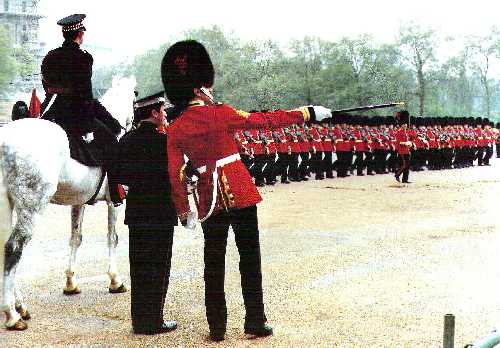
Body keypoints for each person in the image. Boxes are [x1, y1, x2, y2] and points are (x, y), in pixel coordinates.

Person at [161, 40, 331, 341]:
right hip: (239, 191)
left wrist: (183, 210)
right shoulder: (220, 112)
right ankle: (255, 320)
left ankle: (217, 327)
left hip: (208, 198)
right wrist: (306, 113)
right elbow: (264, 121)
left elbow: (175, 174)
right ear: (201, 87)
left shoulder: (175, 128)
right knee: (249, 259)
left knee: (213, 264)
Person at [40, 14, 123, 205]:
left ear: (65, 34)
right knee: (112, 140)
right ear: (80, 34)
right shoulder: (83, 58)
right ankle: (115, 192)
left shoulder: (50, 56)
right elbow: (86, 96)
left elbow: (47, 86)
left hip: (51, 111)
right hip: (74, 115)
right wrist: (96, 126)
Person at [113, 92, 178, 335]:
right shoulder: (165, 141)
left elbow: (119, 176)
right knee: (159, 269)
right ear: (153, 113)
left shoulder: (126, 140)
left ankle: (139, 321)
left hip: (138, 213)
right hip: (160, 213)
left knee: (139, 268)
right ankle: (154, 321)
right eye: (162, 111)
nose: (165, 114)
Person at [394, 110, 412, 183]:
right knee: (404, 165)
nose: (405, 125)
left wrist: (409, 143)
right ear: (401, 124)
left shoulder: (406, 132)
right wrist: (406, 143)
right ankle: (397, 174)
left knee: (407, 166)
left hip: (407, 150)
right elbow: (399, 142)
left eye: (406, 124)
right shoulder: (399, 132)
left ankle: (405, 179)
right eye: (404, 124)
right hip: (401, 151)